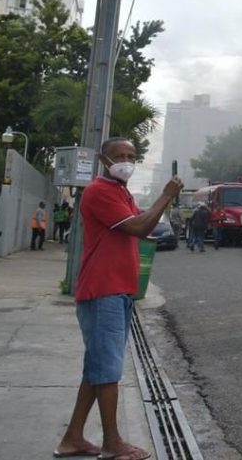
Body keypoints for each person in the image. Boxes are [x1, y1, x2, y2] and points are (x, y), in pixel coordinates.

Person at [55, 137, 182, 460]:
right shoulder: (99, 191)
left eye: (131, 155)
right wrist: (166, 195)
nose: (126, 160)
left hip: (117, 291)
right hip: (103, 291)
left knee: (97, 369)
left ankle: (73, 438)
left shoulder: (120, 192)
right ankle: (112, 444)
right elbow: (139, 226)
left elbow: (142, 225)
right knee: (108, 371)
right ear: (104, 160)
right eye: (119, 156)